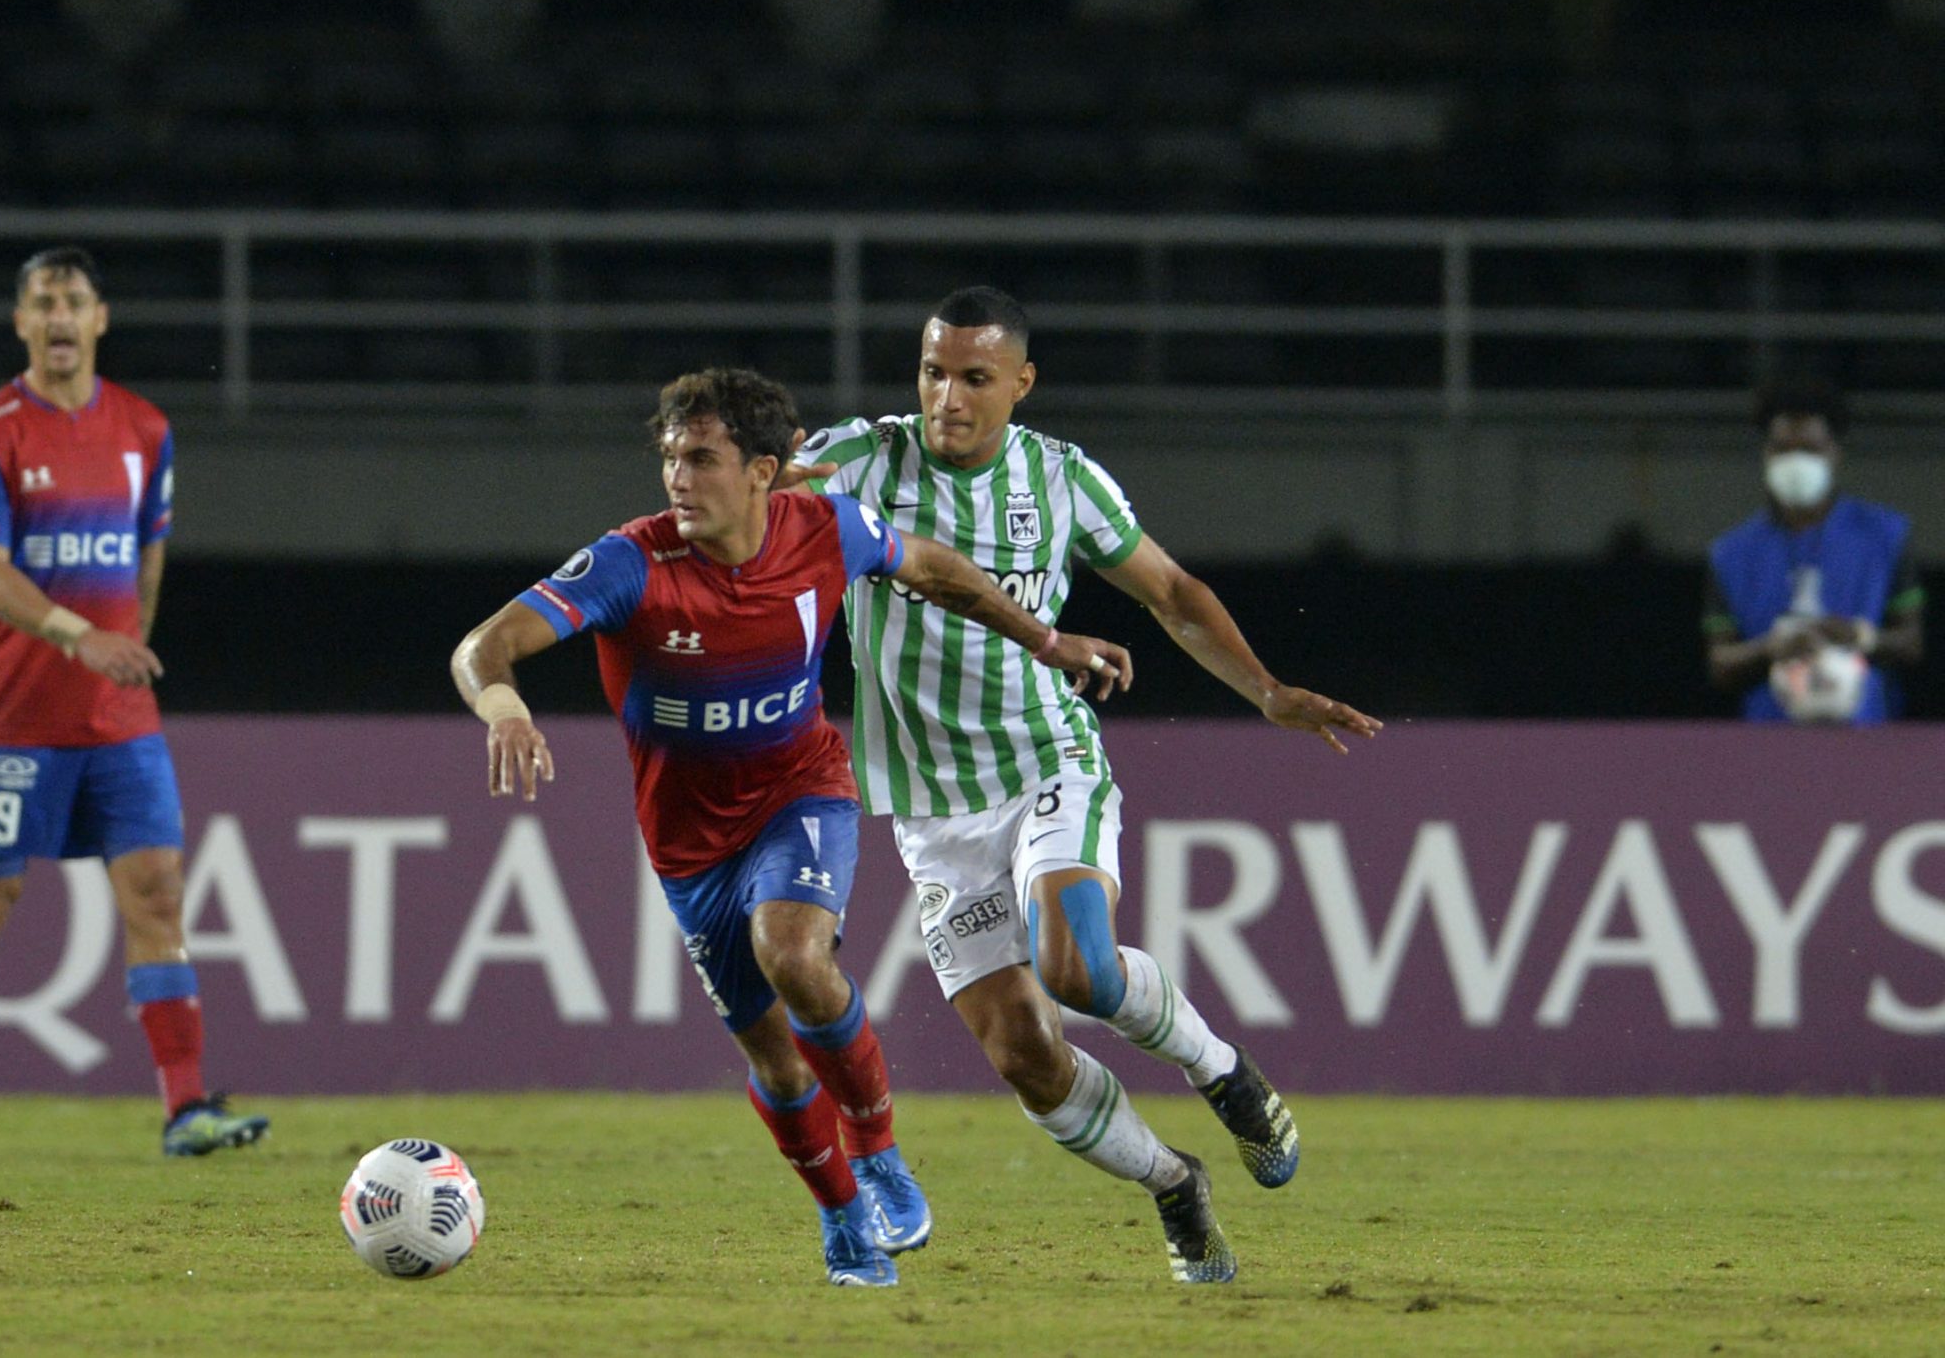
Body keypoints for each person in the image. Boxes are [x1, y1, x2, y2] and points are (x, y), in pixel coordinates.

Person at [451, 365, 1122, 1288]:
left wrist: (1047, 638)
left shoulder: (826, 530)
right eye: (671, 459)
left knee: (796, 954)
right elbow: (483, 645)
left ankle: (880, 1154)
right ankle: (842, 1214)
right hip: (688, 844)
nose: (678, 479)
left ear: (765, 470)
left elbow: (935, 567)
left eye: (702, 458)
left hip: (801, 790)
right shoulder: (630, 564)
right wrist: (504, 709)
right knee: (772, 1053)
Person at [787, 286, 1381, 1284]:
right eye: (933, 372)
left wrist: (1267, 690)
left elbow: (1173, 594)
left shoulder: (1062, 482)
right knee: (1025, 1053)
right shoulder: (860, 460)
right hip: (931, 810)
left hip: (1045, 762)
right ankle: (1172, 1183)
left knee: (1075, 968)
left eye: (975, 378)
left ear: (1020, 384)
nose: (947, 398)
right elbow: (759, 516)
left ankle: (1220, 1070)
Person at [0, 246, 267, 1159]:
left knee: (157, 891)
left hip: (117, 721)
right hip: (11, 717)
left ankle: (186, 1109)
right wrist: (81, 637)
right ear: (21, 322)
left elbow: (149, 553)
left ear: (100, 318)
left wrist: (126, 647)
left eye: (74, 301)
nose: (59, 316)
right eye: (42, 302)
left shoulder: (146, 429)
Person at [1705, 375, 1924, 723]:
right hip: (1765, 744)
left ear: (1835, 452)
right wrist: (1768, 649)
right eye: (1782, 449)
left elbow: (1911, 643)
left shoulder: (1886, 534)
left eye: (1809, 449)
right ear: (1766, 454)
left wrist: (1859, 636)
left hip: (1864, 739)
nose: (1795, 461)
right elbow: (1719, 663)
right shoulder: (1730, 553)